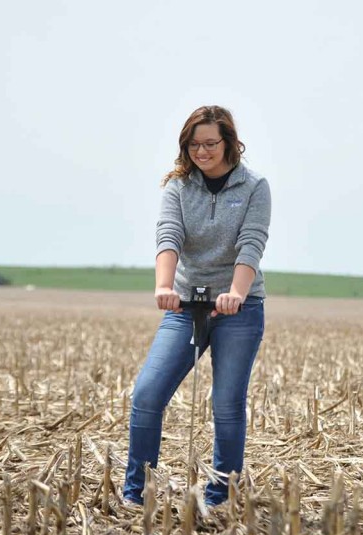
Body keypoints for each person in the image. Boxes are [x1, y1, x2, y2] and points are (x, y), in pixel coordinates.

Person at [123, 105, 271, 507]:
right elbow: (168, 236)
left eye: (210, 144)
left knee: (225, 404)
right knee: (148, 394)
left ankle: (219, 496)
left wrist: (237, 293)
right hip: (185, 304)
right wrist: (164, 286)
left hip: (238, 307)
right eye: (194, 144)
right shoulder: (178, 187)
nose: (201, 152)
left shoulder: (254, 186)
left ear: (229, 143)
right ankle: (136, 493)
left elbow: (251, 243)